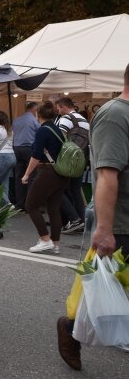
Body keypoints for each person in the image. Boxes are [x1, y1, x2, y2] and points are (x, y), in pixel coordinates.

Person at [57, 63, 129, 370]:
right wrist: (104, 228)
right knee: (106, 290)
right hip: (124, 223)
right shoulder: (115, 114)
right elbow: (107, 175)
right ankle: (72, 330)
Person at [21, 101, 70, 254]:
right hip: (61, 172)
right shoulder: (57, 129)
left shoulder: (43, 130)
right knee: (53, 208)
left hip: (47, 171)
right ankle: (55, 244)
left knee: (30, 205)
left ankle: (44, 239)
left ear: (38, 114)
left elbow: (36, 155)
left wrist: (27, 174)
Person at [55, 97, 89, 233]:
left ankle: (73, 219)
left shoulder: (66, 119)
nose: (58, 111)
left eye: (58, 108)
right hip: (81, 160)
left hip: (67, 160)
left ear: (63, 107)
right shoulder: (84, 120)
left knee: (58, 190)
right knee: (76, 191)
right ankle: (81, 221)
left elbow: (59, 138)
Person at [13, 102, 40, 211]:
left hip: (16, 148)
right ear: (34, 110)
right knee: (31, 176)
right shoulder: (34, 121)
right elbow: (39, 134)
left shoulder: (16, 120)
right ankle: (30, 204)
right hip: (29, 149)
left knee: (19, 176)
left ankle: (20, 203)